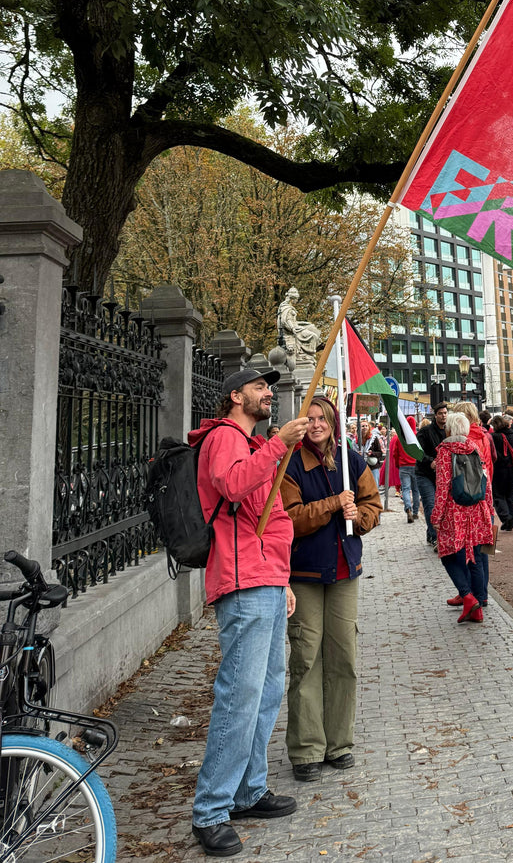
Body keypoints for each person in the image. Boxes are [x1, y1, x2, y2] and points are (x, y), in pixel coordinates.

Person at [187, 367, 308, 857]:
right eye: (260, 387)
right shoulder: (223, 438)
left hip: (266, 579)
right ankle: (210, 809)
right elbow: (233, 486)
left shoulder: (254, 445)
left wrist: (283, 578)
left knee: (267, 691)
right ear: (236, 396)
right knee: (241, 695)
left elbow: (271, 518)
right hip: (242, 581)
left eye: (268, 386)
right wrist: (279, 445)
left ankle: (247, 790)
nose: (268, 393)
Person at [279, 396, 381, 782]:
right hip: (304, 573)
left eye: (323, 418)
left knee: (343, 658)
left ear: (333, 423)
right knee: (306, 659)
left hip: (344, 573)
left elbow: (372, 504)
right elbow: (289, 519)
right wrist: (333, 504)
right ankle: (306, 748)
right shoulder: (291, 464)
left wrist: (361, 515)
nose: (317, 424)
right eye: (310, 418)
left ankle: (339, 743)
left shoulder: (351, 461)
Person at [432, 411, 496, 622]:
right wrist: (489, 508)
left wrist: (436, 516)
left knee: (448, 554)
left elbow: (443, 487)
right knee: (475, 556)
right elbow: (485, 481)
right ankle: (478, 606)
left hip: (454, 510)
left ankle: (467, 596)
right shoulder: (474, 447)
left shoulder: (445, 451)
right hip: (477, 509)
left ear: (449, 429)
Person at [415, 402, 449, 548]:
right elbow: (418, 452)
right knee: (430, 504)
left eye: (445, 413)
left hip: (443, 474)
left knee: (443, 506)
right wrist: (430, 461)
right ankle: (435, 537)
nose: (443, 416)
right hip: (425, 474)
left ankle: (431, 533)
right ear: (435, 415)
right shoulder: (425, 431)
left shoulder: (449, 431)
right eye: (440, 413)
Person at [491, 412, 513, 531]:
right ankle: (510, 522)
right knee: (511, 495)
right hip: (511, 468)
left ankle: (505, 516)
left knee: (498, 494)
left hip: (499, 469)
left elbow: (493, 453)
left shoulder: (495, 436)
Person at [389, 425, 420, 523]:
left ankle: (408, 508)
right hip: (415, 466)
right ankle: (415, 512)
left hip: (403, 466)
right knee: (415, 490)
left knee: (405, 489)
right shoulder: (417, 437)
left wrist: (398, 465)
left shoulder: (400, 438)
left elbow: (395, 453)